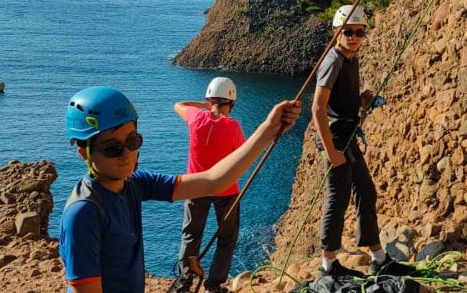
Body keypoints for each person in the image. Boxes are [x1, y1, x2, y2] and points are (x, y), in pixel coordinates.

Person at [58, 86, 300, 293]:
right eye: (112, 148)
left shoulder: (133, 184)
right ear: (84, 153)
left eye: (133, 141)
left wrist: (268, 130)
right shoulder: (83, 213)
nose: (127, 154)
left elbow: (213, 181)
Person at [312, 5, 405, 278]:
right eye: (348, 32)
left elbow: (338, 103)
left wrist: (361, 101)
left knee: (366, 191)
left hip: (346, 135)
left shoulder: (350, 58)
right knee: (337, 199)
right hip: (336, 139)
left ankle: (378, 257)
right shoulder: (334, 61)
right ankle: (327, 266)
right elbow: (318, 108)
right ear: (336, 32)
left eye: (359, 32)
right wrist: (331, 151)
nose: (353, 37)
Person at [173, 77, 245, 293]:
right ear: (230, 103)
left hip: (195, 187)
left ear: (209, 99)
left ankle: (184, 283)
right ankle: (214, 286)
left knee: (191, 235)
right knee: (226, 239)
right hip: (226, 190)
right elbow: (241, 156)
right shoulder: (233, 126)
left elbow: (178, 105)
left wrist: (203, 106)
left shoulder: (195, 118)